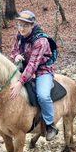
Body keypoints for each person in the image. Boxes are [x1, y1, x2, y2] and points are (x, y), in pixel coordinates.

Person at [10, 10, 58, 141]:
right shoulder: (19, 35)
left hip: (42, 70)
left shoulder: (40, 41)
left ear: (32, 25)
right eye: (19, 24)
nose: (21, 28)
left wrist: (20, 82)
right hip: (25, 66)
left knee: (43, 95)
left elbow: (33, 65)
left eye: (25, 25)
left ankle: (50, 125)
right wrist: (16, 56)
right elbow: (13, 50)